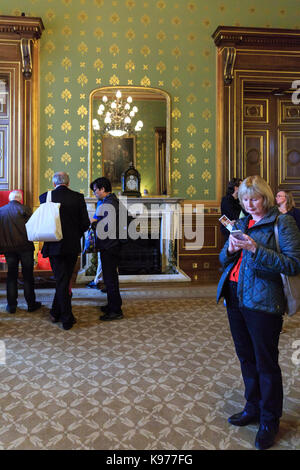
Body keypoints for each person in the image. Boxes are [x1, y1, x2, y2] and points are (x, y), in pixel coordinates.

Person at [217, 175, 300, 450]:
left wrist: (256, 249)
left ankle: (269, 420)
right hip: (235, 296)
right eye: (244, 200)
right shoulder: (241, 222)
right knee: (246, 358)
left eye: (254, 199)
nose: (250, 204)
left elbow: (293, 264)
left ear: (265, 197)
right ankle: (252, 407)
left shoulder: (282, 222)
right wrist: (230, 249)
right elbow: (223, 259)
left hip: (264, 301)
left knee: (266, 363)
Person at [39, 172, 90, 330]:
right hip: (72, 246)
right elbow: (85, 223)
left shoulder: (44, 197)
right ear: (68, 183)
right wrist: (75, 234)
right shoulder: (78, 197)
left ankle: (57, 313)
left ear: (54, 184)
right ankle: (66, 317)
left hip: (54, 246)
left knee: (62, 280)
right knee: (64, 279)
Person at [0, 190, 41, 314]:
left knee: (11, 276)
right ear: (20, 199)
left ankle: (11, 305)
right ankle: (31, 304)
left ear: (9, 199)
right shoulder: (26, 209)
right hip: (25, 248)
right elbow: (34, 228)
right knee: (28, 276)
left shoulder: (1, 211)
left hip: (8, 248)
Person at [91, 177, 123, 321]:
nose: (94, 193)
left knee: (110, 279)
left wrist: (92, 222)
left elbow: (105, 226)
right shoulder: (111, 201)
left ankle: (115, 310)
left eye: (95, 190)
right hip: (111, 244)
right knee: (111, 278)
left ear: (102, 189)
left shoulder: (109, 204)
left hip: (110, 245)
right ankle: (113, 304)